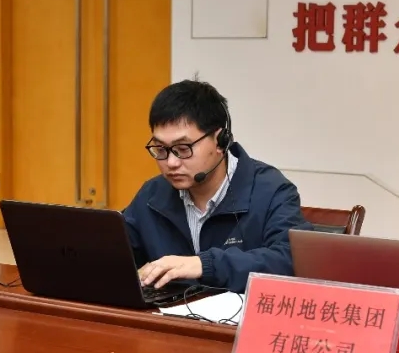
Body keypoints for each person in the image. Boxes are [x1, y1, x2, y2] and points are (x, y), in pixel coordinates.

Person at [124, 79, 309, 293]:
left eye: (183, 149)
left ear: (220, 140)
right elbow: (116, 252)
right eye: (161, 149)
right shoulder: (152, 195)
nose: (171, 162)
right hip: (167, 313)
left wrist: (205, 265)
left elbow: (291, 261)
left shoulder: (271, 191)